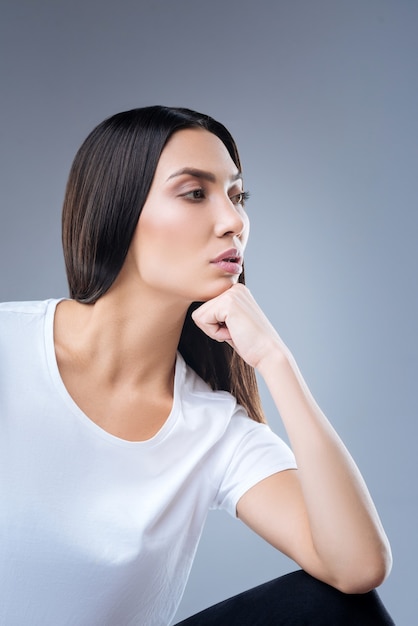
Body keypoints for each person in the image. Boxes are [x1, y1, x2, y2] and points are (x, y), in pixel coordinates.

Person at [0, 106, 394, 626]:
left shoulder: (212, 428)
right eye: (194, 193)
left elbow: (357, 567)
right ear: (118, 210)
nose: (233, 222)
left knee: (339, 609)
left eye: (237, 196)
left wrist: (277, 360)